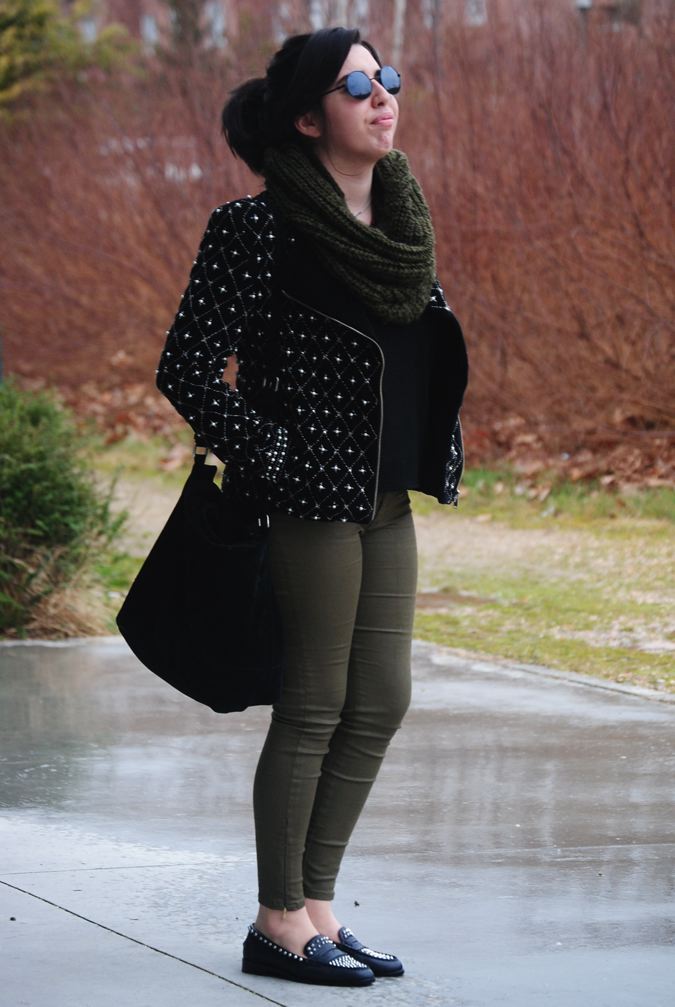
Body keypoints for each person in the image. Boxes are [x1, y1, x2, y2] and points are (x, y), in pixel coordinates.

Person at [156, 26, 468, 988]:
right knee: (314, 702)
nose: (383, 97)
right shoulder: (254, 230)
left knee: (381, 699)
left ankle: (318, 906)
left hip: (386, 497)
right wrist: (274, 451)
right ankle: (276, 919)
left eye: (388, 79)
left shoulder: (400, 225)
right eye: (356, 86)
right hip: (307, 502)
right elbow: (186, 367)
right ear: (305, 118)